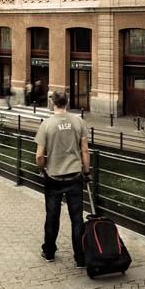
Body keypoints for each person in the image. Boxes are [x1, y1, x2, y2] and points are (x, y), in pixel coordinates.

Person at [34, 89, 90, 266]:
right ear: (67, 102)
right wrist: (86, 172)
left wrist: (42, 171)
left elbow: (39, 155)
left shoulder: (46, 125)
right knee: (77, 219)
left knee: (52, 217)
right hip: (74, 176)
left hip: (54, 177)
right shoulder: (79, 121)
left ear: (52, 103)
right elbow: (85, 150)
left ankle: (49, 252)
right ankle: (80, 258)